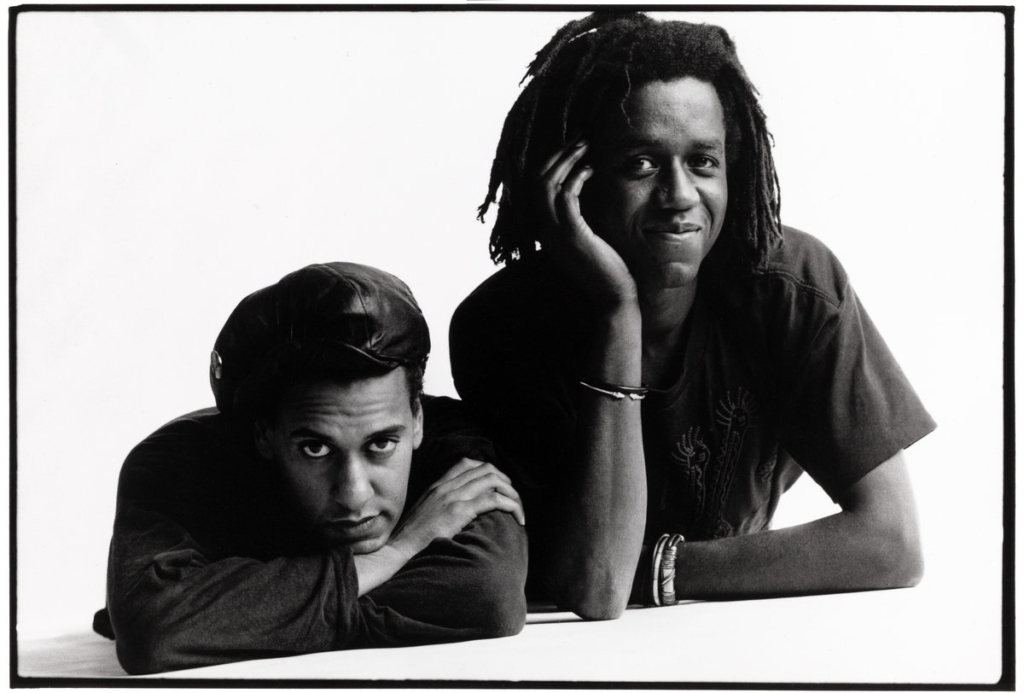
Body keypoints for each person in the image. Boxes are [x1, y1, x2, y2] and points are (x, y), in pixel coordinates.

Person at [450, 12, 935, 620]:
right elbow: (596, 587)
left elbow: (893, 543)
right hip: (569, 653)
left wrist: (657, 569)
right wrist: (618, 311)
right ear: (573, 180)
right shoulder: (501, 327)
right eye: (641, 163)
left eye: (703, 161)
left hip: (725, 631)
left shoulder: (791, 288)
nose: (680, 196)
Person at [95, 262, 528, 674]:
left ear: (417, 418)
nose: (354, 494)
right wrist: (398, 551)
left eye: (381, 444)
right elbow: (154, 631)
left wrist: (236, 619)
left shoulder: (454, 446)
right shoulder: (177, 462)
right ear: (263, 434)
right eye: (316, 449)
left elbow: (487, 594)